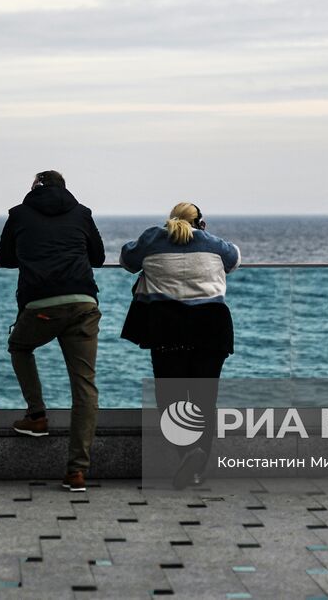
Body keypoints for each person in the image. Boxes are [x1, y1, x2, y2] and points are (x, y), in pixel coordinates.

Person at [0, 170, 106, 492]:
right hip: (83, 304)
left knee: (20, 347)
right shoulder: (82, 213)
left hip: (40, 305)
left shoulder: (18, 214)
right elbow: (98, 259)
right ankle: (76, 472)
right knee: (84, 386)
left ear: (34, 188)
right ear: (64, 188)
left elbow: (5, 260)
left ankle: (37, 415)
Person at [120, 203, 241, 488]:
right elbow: (233, 260)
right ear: (202, 223)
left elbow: (128, 260)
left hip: (167, 327)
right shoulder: (213, 243)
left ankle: (188, 452)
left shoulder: (153, 238)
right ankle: (197, 469)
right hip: (212, 326)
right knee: (204, 400)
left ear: (169, 220)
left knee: (170, 399)